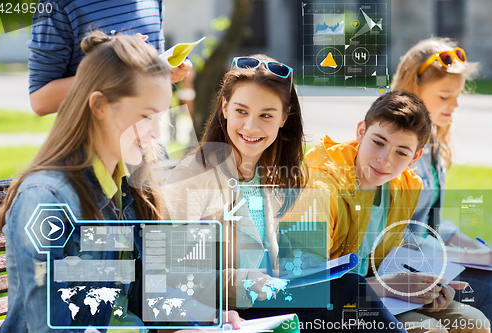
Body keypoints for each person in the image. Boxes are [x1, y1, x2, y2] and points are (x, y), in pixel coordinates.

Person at [0, 31, 238, 333]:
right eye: (147, 116)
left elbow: (146, 293)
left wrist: (210, 317)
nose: (157, 134)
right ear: (99, 106)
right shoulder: (46, 200)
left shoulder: (129, 184)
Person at [162, 55, 408, 333]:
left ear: (283, 118)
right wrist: (247, 281)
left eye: (266, 115)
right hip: (221, 315)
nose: (251, 127)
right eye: (241, 111)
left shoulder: (272, 172)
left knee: (349, 297)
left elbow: (272, 259)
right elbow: (173, 276)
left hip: (265, 303)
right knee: (350, 291)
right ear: (225, 108)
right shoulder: (194, 175)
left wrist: (296, 270)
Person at [302, 90, 489, 333]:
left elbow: (384, 260)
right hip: (333, 305)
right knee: (429, 330)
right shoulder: (319, 188)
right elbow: (307, 284)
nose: (385, 160)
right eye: (378, 143)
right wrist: (388, 287)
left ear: (415, 157)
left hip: (376, 293)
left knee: (474, 322)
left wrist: (425, 289)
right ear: (361, 132)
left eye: (401, 152)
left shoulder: (404, 187)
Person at [392, 38, 492, 322]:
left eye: (458, 95)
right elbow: (400, 235)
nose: (455, 104)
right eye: (445, 96)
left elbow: (431, 222)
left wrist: (481, 251)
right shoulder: (396, 152)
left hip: (432, 261)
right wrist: (468, 256)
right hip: (404, 272)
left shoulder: (433, 144)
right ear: (413, 92)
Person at [28, 0, 192, 116]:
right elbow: (40, 102)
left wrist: (166, 73)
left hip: (149, 149)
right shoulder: (58, 4)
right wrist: (116, 66)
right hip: (92, 155)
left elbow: (144, 79)